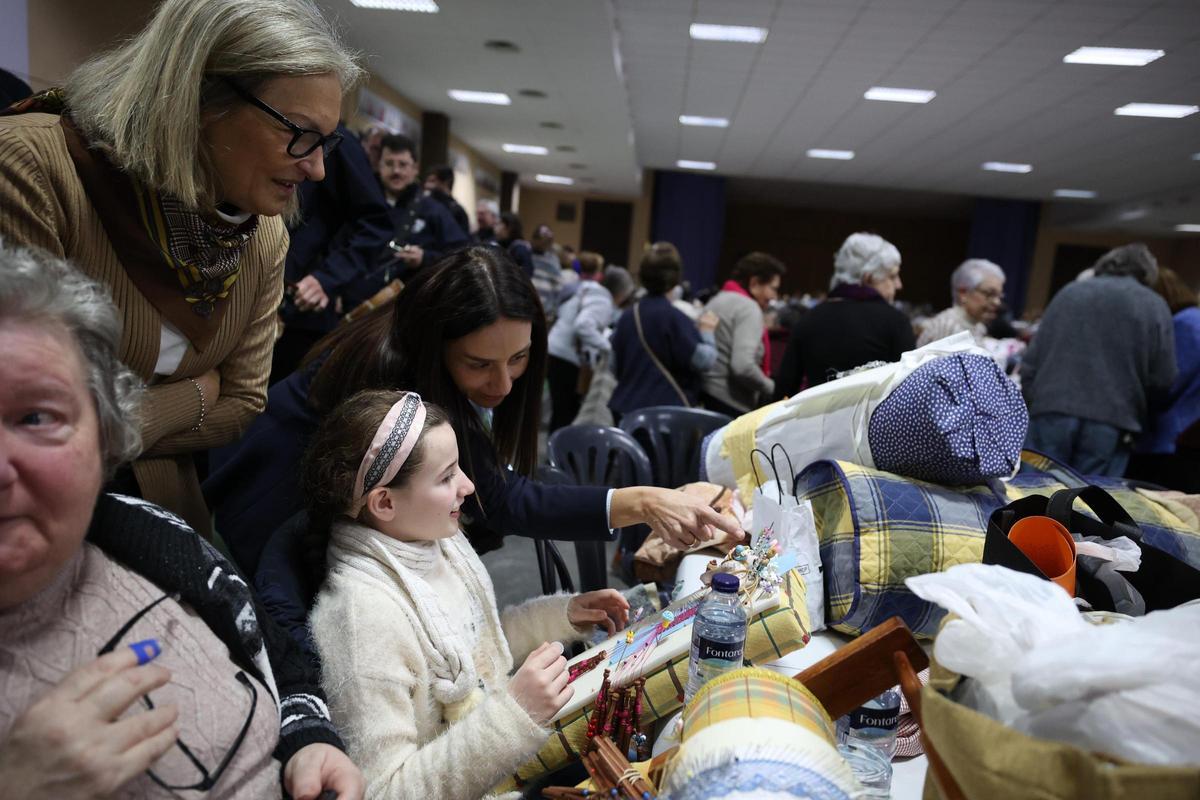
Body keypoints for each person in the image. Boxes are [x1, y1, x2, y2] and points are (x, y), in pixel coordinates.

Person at [0, 244, 363, 800]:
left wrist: (309, 737)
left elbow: (280, 658)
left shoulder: (145, 534)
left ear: (104, 436)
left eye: (36, 417)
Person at [0, 0, 361, 536]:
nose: (317, 166)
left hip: (168, 524)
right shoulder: (33, 168)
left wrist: (113, 420)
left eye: (327, 141)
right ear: (199, 97)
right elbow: (36, 415)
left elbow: (243, 401)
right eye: (300, 132)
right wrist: (198, 392)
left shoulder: (264, 233)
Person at [205, 246, 740, 576]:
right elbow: (504, 499)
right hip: (262, 520)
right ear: (436, 346)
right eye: (479, 364)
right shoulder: (393, 374)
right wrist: (642, 501)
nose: (503, 383)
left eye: (520, 358)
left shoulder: (415, 351)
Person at [304, 389, 629, 799]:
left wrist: (562, 615)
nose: (468, 485)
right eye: (446, 477)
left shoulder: (433, 537)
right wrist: (514, 714)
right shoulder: (360, 620)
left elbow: (477, 646)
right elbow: (384, 790)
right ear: (384, 501)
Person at [1021, 243, 1177, 477]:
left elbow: (1031, 360)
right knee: (1091, 504)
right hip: (1112, 421)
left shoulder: (1069, 293)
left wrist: (1035, 401)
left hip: (1051, 410)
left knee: (1032, 494)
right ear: (1146, 273)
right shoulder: (1154, 305)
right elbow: (1163, 378)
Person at [272, 124, 393, 382]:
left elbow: (376, 223)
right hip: (247, 296)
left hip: (298, 312)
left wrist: (327, 278)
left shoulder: (335, 140)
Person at [774, 233, 916, 398]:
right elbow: (911, 392)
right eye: (892, 276)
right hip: (874, 423)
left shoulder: (808, 320)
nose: (899, 284)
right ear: (868, 277)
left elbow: (783, 392)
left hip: (818, 422)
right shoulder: (896, 322)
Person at [609, 242, 719, 420]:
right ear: (675, 278)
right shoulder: (674, 318)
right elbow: (704, 361)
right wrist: (707, 331)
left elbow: (613, 366)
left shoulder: (628, 315)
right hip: (664, 416)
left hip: (625, 411)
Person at [1128, 267, 1200, 492]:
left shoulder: (1184, 324)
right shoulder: (1192, 320)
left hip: (1170, 437)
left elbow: (1170, 381)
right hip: (1182, 433)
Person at [369, 133, 468, 284]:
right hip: (355, 299)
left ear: (415, 169)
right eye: (389, 163)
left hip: (407, 296)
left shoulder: (434, 210)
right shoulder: (363, 203)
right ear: (379, 165)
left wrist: (424, 257)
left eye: (403, 165)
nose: (396, 171)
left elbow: (462, 255)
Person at [701, 252, 787, 415]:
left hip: (708, 398)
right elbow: (742, 366)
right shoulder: (748, 308)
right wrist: (773, 389)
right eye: (773, 288)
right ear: (754, 283)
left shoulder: (718, 298)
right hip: (731, 405)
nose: (775, 296)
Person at [546, 251, 615, 430]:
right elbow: (583, 325)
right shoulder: (599, 293)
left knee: (559, 411)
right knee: (567, 414)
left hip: (553, 350)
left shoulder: (570, 287)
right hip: (569, 358)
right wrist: (608, 347)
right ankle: (560, 455)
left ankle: (552, 454)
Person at [916, 258, 1006, 347]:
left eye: (999, 296)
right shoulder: (948, 327)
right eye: (989, 294)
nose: (997, 302)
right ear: (963, 293)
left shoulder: (977, 326)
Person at [529, 223, 564, 323]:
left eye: (548, 240)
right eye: (542, 238)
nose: (544, 243)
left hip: (545, 310)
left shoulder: (553, 259)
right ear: (534, 239)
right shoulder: (525, 254)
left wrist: (553, 309)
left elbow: (558, 287)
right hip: (525, 307)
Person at [423, 164, 471, 233]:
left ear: (446, 182)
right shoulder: (423, 206)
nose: (426, 185)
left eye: (432, 181)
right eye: (427, 181)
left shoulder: (457, 212)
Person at [496, 211, 535, 277]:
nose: (495, 228)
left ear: (508, 228)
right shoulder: (501, 244)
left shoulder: (520, 249)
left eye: (499, 224)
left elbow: (527, 274)